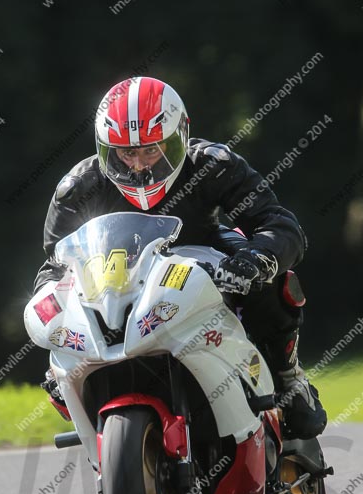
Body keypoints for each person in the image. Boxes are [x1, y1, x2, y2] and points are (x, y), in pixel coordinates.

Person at [34, 76, 327, 439]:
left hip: (204, 258)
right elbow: (58, 264)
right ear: (105, 148)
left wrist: (258, 257)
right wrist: (53, 313)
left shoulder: (212, 163)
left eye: (151, 150)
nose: (138, 166)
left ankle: (288, 376)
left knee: (275, 279)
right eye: (126, 153)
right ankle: (64, 378)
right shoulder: (78, 187)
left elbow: (279, 224)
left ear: (179, 137)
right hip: (121, 284)